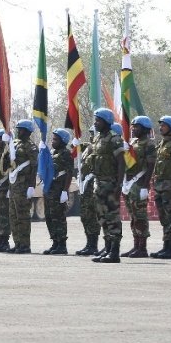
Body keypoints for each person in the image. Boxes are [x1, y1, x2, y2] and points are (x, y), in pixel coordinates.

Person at [91, 108, 126, 263]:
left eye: (98, 120)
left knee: (112, 218)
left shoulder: (114, 139)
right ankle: (107, 248)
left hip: (110, 184)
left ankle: (115, 252)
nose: (95, 123)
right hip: (99, 183)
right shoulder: (98, 139)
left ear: (106, 122)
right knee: (102, 218)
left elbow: (121, 163)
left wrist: (119, 185)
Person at [122, 116, 156, 258]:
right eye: (133, 126)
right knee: (134, 217)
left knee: (140, 217)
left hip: (139, 182)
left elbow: (150, 165)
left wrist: (145, 185)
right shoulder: (133, 142)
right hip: (130, 183)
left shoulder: (149, 144)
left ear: (145, 129)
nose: (134, 129)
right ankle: (136, 245)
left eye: (137, 127)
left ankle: (142, 248)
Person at [151, 116, 171, 259]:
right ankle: (165, 246)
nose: (161, 128)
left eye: (164, 125)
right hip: (160, 186)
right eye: (161, 125)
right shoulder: (161, 144)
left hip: (170, 186)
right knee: (163, 217)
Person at [7, 120, 38, 255]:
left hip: (24, 185)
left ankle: (25, 245)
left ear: (27, 131)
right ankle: (17, 243)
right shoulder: (14, 144)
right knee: (13, 216)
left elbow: (34, 166)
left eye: (21, 129)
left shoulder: (30, 147)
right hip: (14, 185)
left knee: (23, 216)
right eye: (18, 129)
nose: (18, 131)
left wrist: (31, 186)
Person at [43, 128, 73, 255]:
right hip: (50, 190)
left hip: (58, 190)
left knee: (58, 217)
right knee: (49, 217)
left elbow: (69, 172)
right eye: (53, 138)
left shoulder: (66, 153)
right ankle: (55, 242)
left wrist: (65, 191)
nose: (53, 141)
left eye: (56, 139)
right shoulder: (52, 152)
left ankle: (62, 244)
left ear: (63, 141)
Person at [75, 126, 101, 256]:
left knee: (92, 215)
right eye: (90, 133)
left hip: (93, 184)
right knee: (85, 216)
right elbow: (78, 148)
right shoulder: (89, 146)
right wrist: (76, 143)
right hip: (85, 185)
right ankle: (88, 243)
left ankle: (94, 245)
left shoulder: (99, 147)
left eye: (93, 133)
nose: (91, 136)